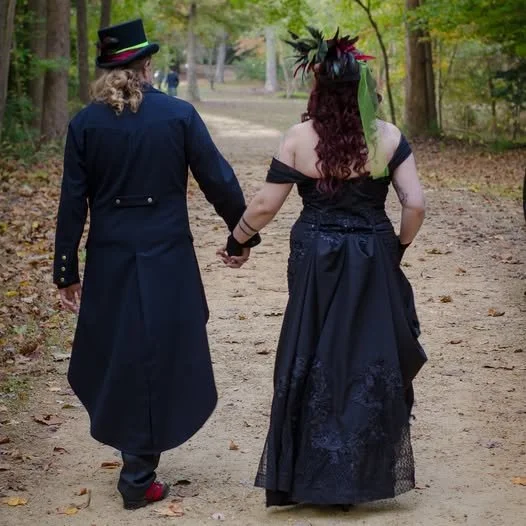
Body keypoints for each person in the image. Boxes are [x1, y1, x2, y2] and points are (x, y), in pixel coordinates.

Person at [54, 19, 258, 510]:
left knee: (121, 350)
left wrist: (66, 270)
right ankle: (138, 472)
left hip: (110, 258)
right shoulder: (178, 115)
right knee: (163, 351)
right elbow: (218, 179)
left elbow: (72, 202)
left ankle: (137, 465)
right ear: (146, 65)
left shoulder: (85, 124)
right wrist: (241, 235)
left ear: (106, 71)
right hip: (167, 256)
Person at [219, 28, 427, 508]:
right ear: (364, 86)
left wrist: (238, 240)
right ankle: (357, 474)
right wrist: (397, 247)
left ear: (320, 88)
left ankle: (310, 473)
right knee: (367, 353)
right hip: (373, 251)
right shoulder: (388, 137)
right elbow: (414, 203)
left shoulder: (299, 138)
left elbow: (265, 206)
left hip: (316, 253)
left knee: (311, 350)